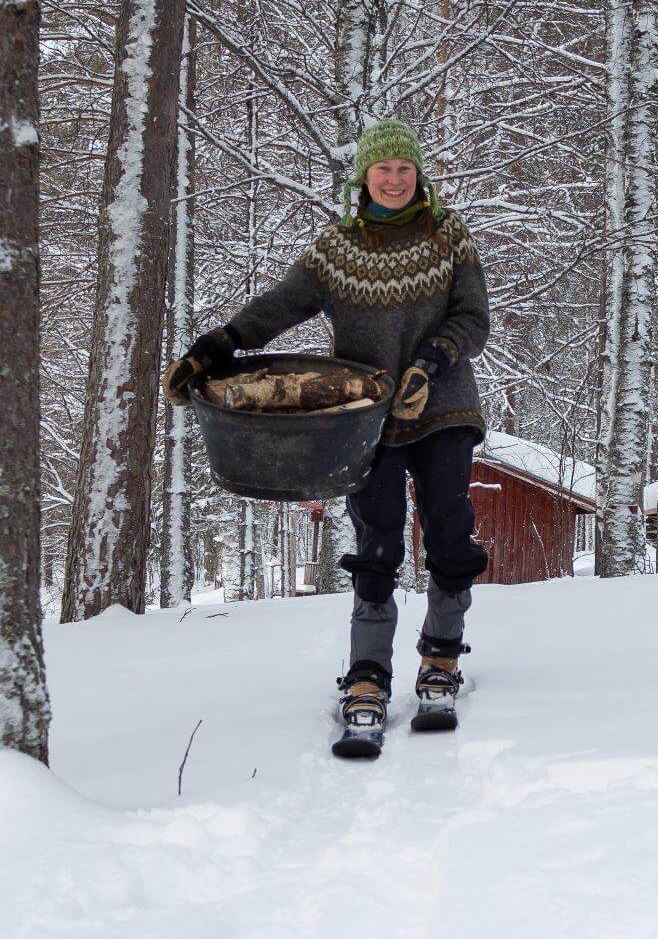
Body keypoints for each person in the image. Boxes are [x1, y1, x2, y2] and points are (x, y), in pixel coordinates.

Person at [162, 119, 490, 745]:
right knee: (377, 539)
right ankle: (367, 674)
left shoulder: (449, 238)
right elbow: (279, 306)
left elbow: (474, 318)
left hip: (442, 406)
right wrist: (219, 345)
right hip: (365, 419)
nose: (394, 180)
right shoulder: (337, 250)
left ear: (417, 175)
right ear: (363, 177)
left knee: (449, 527)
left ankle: (441, 656)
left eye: (404, 169)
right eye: (382, 169)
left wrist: (432, 361)